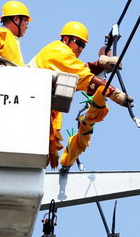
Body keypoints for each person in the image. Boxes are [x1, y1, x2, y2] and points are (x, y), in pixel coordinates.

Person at [29, 21, 132, 169]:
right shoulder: (58, 50)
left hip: (36, 110)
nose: (81, 48)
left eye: (84, 45)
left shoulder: (61, 55)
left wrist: (100, 65)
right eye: (78, 43)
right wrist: (114, 93)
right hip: (32, 107)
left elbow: (78, 70)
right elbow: (82, 76)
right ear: (66, 39)